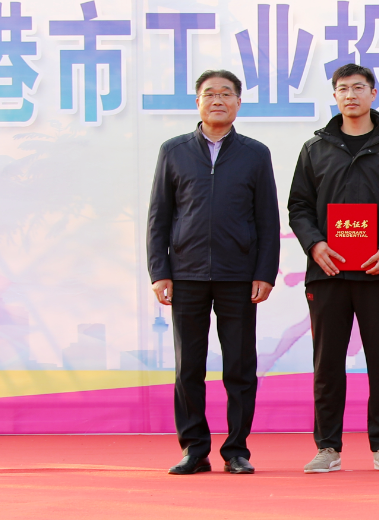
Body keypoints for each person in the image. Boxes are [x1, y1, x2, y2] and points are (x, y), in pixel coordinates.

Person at [288, 63, 379, 473]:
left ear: (373, 93)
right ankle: (327, 447)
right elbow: (298, 206)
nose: (351, 95)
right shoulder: (315, 148)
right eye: (343, 88)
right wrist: (315, 244)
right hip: (327, 272)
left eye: (359, 87)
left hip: (378, 273)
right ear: (335, 96)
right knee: (327, 363)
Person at [147, 69, 280, 475]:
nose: (218, 100)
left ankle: (236, 449)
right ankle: (194, 449)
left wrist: (265, 272)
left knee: (239, 367)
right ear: (197, 102)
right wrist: (159, 270)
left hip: (238, 274)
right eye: (209, 93)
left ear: (239, 102)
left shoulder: (255, 154)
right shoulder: (174, 151)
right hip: (185, 274)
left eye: (226, 93)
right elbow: (159, 216)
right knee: (189, 366)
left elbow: (267, 219)